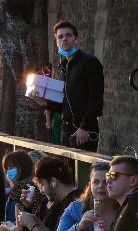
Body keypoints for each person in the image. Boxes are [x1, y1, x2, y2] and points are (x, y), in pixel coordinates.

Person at [30, 21, 104, 153]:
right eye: (60, 37)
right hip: (65, 131)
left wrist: (84, 127)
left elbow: (96, 99)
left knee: (82, 172)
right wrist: (43, 102)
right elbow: (63, 105)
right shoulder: (62, 68)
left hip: (84, 132)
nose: (64, 39)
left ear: (76, 39)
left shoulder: (89, 62)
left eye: (68, 35)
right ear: (57, 42)